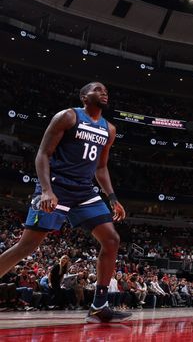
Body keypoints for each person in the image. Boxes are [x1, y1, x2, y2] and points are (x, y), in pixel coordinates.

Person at [0, 82, 130, 323]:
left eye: (106, 91)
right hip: (56, 185)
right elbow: (42, 154)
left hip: (84, 191)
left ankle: (99, 306)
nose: (104, 92)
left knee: (112, 240)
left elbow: (101, 167)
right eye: (97, 89)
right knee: (27, 246)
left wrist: (112, 198)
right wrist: (47, 190)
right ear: (84, 96)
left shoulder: (109, 129)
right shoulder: (68, 116)